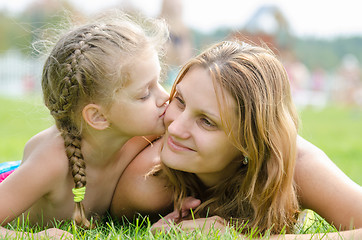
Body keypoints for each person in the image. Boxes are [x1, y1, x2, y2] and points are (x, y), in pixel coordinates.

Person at [110, 40, 362, 239]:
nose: (175, 128)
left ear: (250, 144)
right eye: (180, 101)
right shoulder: (149, 183)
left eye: (206, 121)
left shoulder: (294, 163)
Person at [0, 11, 169, 239]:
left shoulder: (140, 137)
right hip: (11, 178)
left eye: (159, 82)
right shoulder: (52, 161)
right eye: (145, 94)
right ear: (98, 117)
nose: (165, 97)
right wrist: (33, 237)